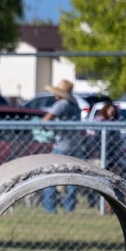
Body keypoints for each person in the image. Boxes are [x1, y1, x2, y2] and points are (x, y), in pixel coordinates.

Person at [40, 79, 81, 213]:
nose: (54, 95)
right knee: (72, 177)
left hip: (61, 146)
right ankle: (69, 208)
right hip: (75, 146)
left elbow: (46, 120)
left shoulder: (61, 104)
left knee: (50, 175)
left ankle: (50, 207)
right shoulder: (75, 106)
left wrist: (49, 128)